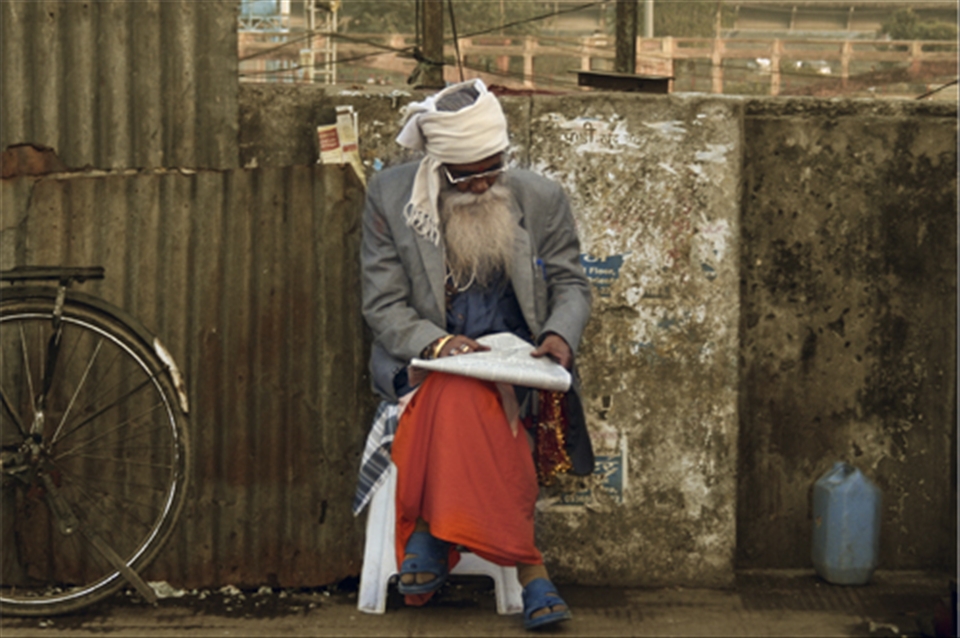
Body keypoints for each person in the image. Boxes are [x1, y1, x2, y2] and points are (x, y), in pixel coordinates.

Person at [355, 78, 593, 630]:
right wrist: (437, 345)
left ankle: (430, 534)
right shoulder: (390, 197)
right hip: (423, 364)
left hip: (519, 364)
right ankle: (531, 571)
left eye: (493, 168)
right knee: (458, 385)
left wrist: (559, 336)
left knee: (477, 390)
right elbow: (383, 304)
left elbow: (572, 284)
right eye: (468, 176)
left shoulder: (539, 197)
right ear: (440, 166)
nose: (484, 185)